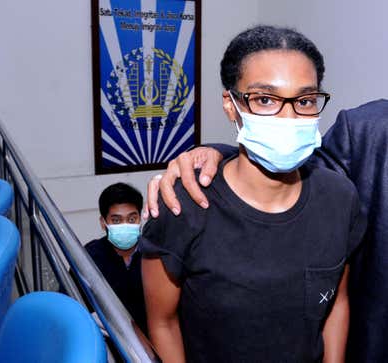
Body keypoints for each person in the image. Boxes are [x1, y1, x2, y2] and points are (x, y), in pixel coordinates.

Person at [139, 25, 366, 362]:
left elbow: (337, 303)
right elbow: (162, 321)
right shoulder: (184, 204)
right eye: (264, 99)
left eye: (304, 100)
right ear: (231, 105)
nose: (288, 117)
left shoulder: (339, 198)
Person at [85, 182, 147, 334]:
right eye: (117, 220)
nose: (125, 225)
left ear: (140, 219)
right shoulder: (90, 256)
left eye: (132, 219)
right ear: (103, 223)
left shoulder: (154, 255)